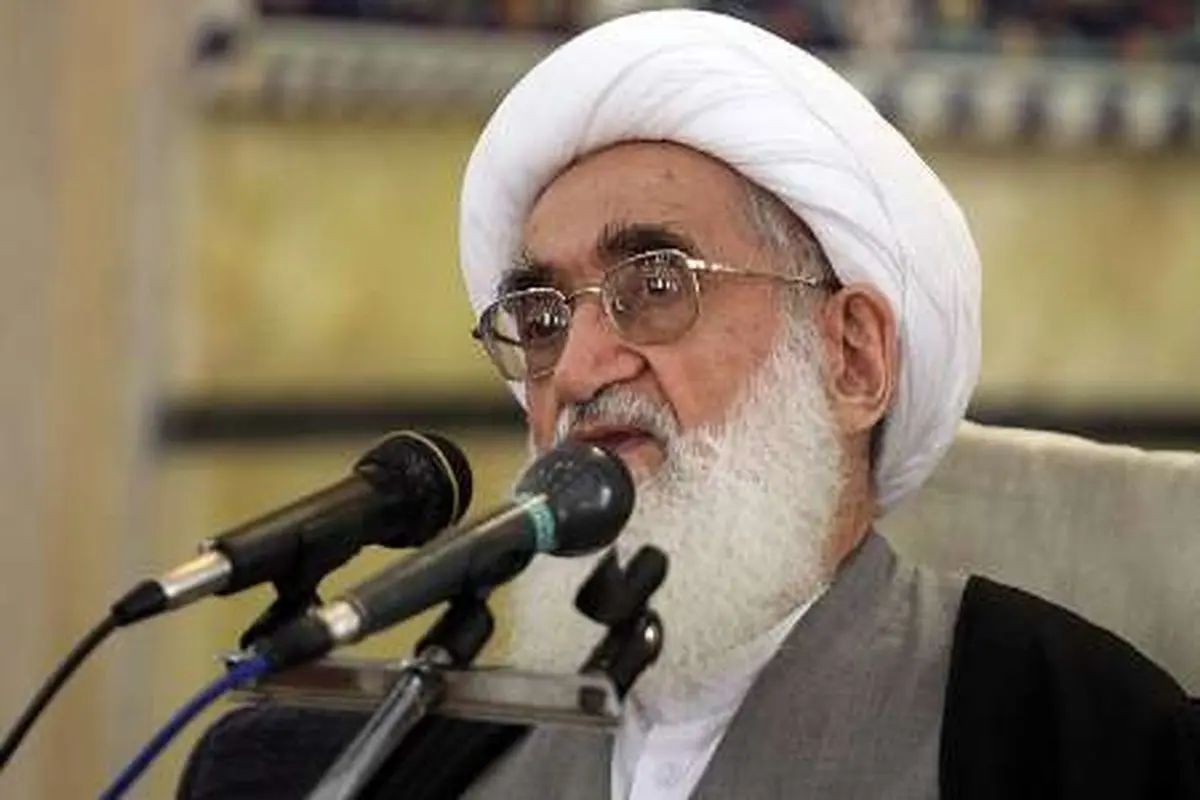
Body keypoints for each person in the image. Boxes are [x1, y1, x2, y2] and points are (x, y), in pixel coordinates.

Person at [179, 9, 1197, 799]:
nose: (579, 367)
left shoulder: (1071, 736)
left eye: (658, 283)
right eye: (540, 314)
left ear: (851, 357)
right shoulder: (430, 759)